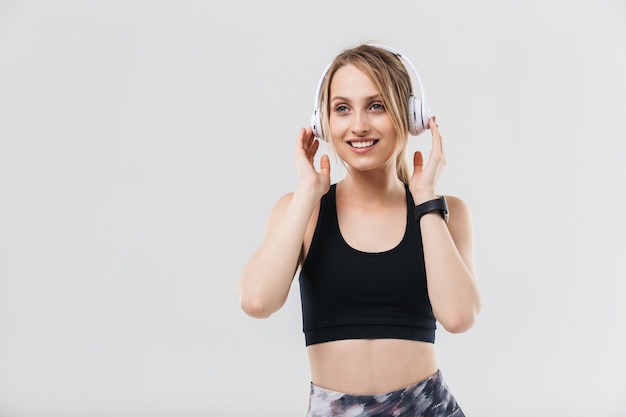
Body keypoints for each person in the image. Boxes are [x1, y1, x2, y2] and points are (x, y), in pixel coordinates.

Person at [237, 43, 481, 417]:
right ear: (323, 123)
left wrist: (425, 199)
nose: (359, 125)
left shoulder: (445, 212)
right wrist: (307, 192)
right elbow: (256, 301)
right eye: (342, 108)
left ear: (411, 115)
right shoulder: (301, 210)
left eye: (377, 105)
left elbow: (459, 317)